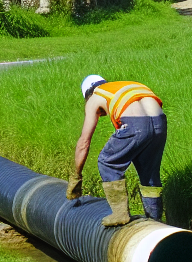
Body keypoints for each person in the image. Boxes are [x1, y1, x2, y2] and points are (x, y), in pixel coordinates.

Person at [66, 75, 166, 226]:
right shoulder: (123, 86)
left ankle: (120, 214)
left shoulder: (95, 96)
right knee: (149, 174)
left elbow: (84, 143)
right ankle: (154, 220)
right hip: (160, 122)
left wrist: (76, 176)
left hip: (135, 123)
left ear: (87, 94)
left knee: (108, 161)